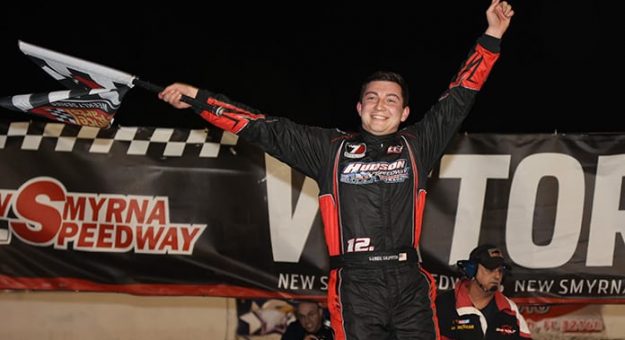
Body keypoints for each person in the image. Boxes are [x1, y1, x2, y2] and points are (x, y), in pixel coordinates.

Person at [158, 1, 513, 338]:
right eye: (372, 98)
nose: (380, 106)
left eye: (391, 99)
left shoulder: (417, 145)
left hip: (409, 281)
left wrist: (492, 36)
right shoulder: (330, 150)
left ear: (405, 113)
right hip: (356, 284)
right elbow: (262, 126)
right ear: (359, 107)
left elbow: (460, 95)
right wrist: (198, 98)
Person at [436, 244, 531, 339]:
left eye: (500, 270)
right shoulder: (442, 305)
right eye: (490, 269)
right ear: (472, 269)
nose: (497, 276)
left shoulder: (510, 310)